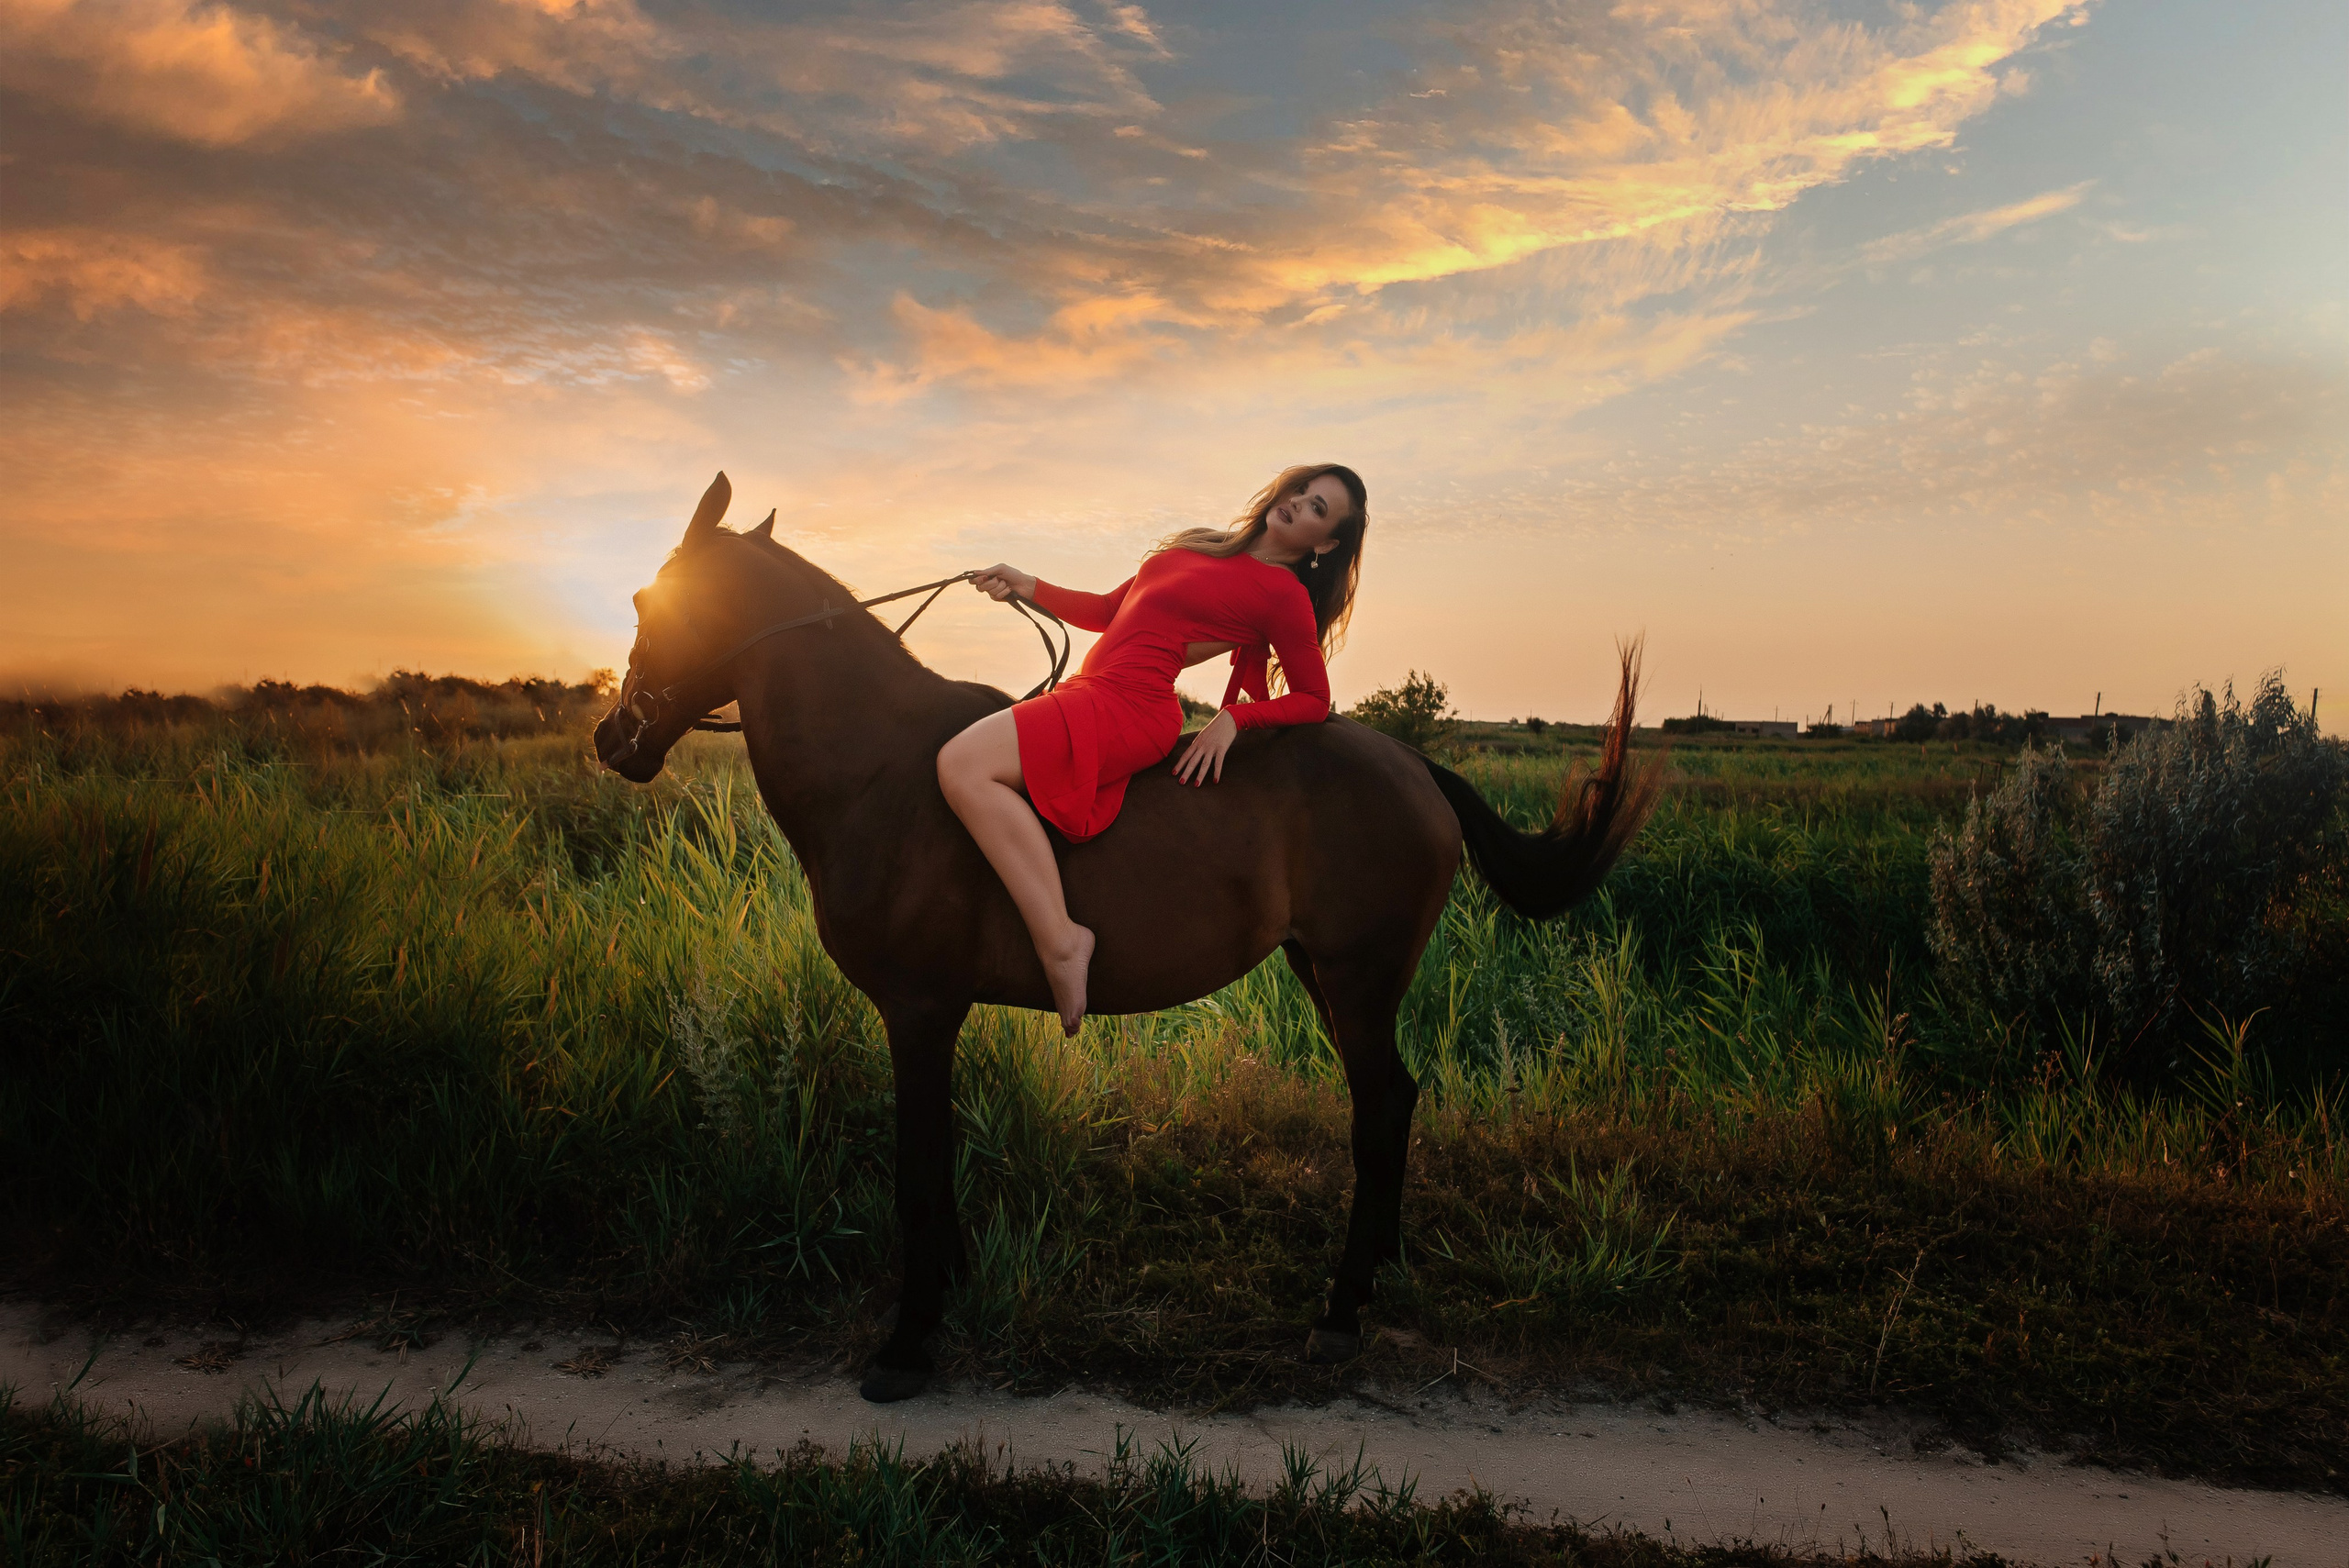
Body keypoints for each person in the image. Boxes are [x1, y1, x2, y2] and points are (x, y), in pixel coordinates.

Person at [936, 463, 1369, 1034]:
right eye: (1300, 490)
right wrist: (1027, 585)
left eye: (1318, 507)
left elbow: (1315, 697)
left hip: (1133, 707)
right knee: (966, 760)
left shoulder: (1283, 593)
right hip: (1094, 691)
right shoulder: (1204, 546)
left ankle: (1063, 942)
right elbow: (1110, 612)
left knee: (962, 765)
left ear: (1327, 542)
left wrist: (1235, 718)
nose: (1297, 503)